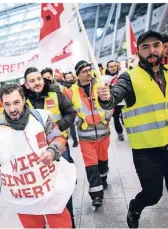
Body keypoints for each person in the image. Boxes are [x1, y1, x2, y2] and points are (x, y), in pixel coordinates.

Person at [97, 30, 168, 228]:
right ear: (138, 52)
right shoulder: (129, 78)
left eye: (156, 45)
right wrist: (105, 98)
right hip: (147, 150)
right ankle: (135, 207)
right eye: (145, 47)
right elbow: (114, 97)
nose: (151, 51)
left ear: (163, 48)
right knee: (153, 194)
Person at [0, 83, 76, 228]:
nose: (12, 109)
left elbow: (58, 138)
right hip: (23, 193)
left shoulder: (41, 117)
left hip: (48, 186)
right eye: (7, 104)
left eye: (16, 102)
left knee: (61, 224)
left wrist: (52, 151)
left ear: (23, 100)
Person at [23, 67, 77, 227]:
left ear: (43, 79)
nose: (37, 83)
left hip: (58, 148)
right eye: (32, 81)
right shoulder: (22, 100)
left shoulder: (55, 93)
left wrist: (56, 127)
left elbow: (71, 113)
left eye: (38, 79)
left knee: (62, 189)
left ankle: (70, 222)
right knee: (40, 189)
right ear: (26, 84)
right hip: (35, 153)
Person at [67, 60, 112, 208]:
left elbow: (110, 103)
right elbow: (69, 111)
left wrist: (107, 115)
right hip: (86, 136)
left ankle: (104, 178)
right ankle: (96, 195)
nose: (88, 73)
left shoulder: (100, 85)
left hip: (103, 132)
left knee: (103, 160)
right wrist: (77, 122)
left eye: (89, 70)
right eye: (84, 71)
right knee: (91, 164)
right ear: (77, 75)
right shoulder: (71, 91)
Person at [105, 60, 125, 141]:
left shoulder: (122, 75)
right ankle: (120, 134)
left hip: (124, 102)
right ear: (107, 68)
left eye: (115, 66)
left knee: (126, 119)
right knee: (116, 119)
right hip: (114, 103)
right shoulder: (104, 78)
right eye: (111, 66)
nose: (113, 68)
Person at [64, 71, 79, 148]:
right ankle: (75, 140)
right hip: (71, 110)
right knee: (72, 126)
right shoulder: (64, 89)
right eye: (68, 78)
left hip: (81, 109)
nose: (70, 79)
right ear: (65, 79)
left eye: (71, 77)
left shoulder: (78, 85)